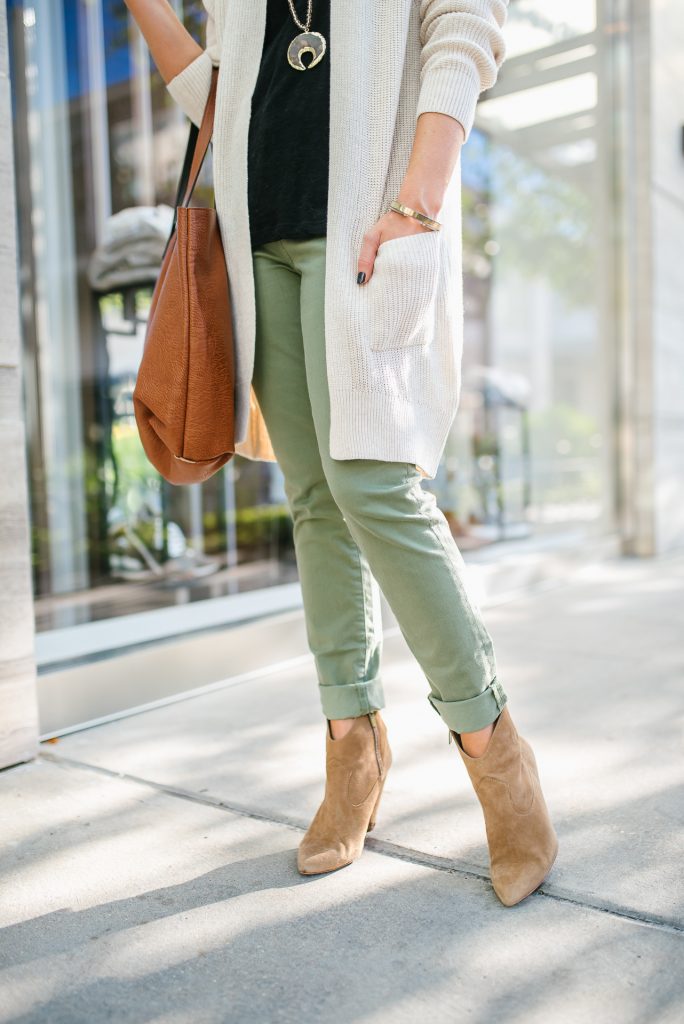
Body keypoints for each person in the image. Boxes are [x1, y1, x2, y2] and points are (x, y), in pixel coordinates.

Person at [125, 0, 558, 907]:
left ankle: (494, 751)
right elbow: (221, 96)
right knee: (315, 496)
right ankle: (351, 749)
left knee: (375, 485)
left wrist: (419, 198)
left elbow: (464, 30)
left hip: (368, 232)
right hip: (261, 249)